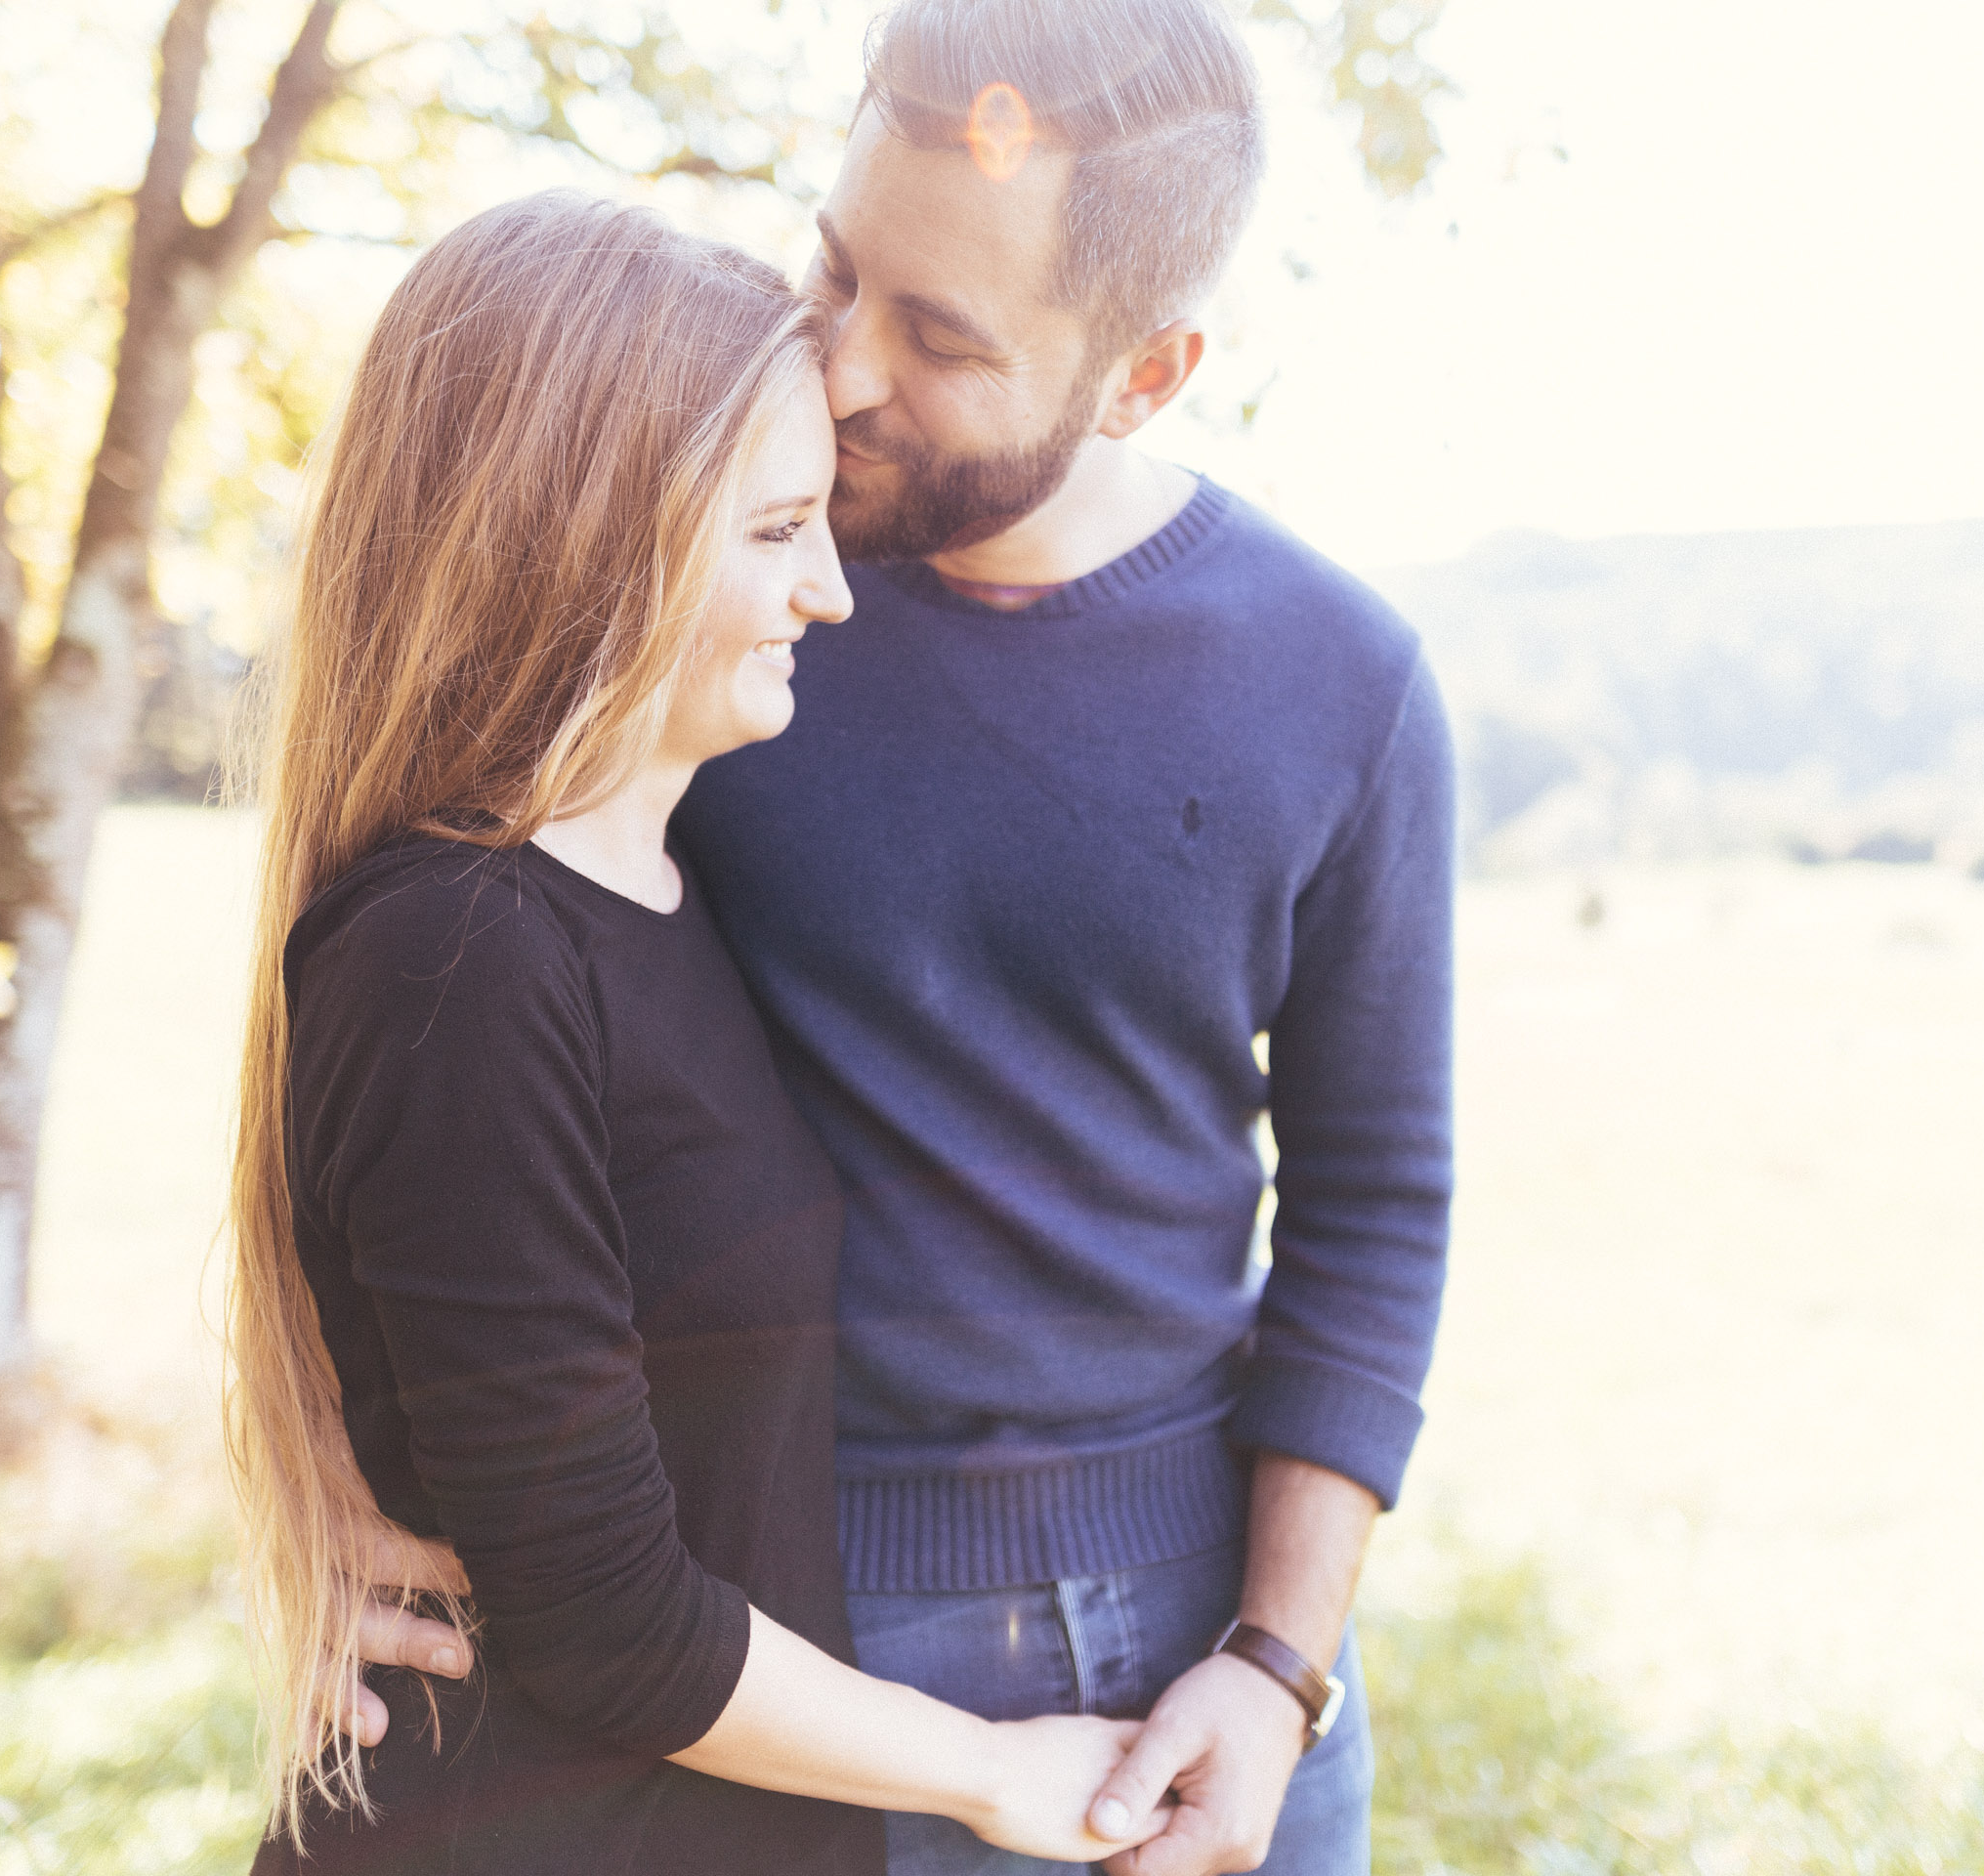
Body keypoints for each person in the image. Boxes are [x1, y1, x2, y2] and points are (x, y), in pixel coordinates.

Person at [366, 2, 1456, 1869]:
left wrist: (1278, 1663)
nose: (846, 370)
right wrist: (321, 1468)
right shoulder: (704, 620)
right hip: (774, 1619)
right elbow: (407, 1020)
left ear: (1146, 373)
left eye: (942, 338)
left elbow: (1375, 1197)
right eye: (836, 266)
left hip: (1205, 1634)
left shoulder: (1341, 681)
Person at [225, 191, 1180, 1876]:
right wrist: (989, 1770)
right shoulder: (461, 953)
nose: (830, 591)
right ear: (581, 534)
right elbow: (607, 1619)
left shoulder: (668, 886)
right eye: (772, 530)